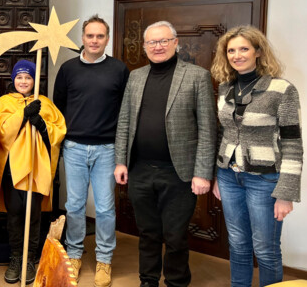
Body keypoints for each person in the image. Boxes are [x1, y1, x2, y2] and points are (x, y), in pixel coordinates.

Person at [114, 20, 216, 287]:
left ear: (175, 43)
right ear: (145, 47)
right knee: (147, 233)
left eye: (163, 41)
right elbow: (124, 122)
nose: (157, 47)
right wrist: (120, 161)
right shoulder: (135, 77)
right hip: (140, 170)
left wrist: (203, 173)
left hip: (179, 174)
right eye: (152, 42)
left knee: (175, 236)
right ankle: (147, 280)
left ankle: (176, 282)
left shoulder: (197, 76)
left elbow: (208, 128)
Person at [210, 25, 303, 287]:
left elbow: (293, 143)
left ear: (258, 51)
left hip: (264, 180)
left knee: (265, 248)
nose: (237, 55)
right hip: (229, 177)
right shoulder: (225, 87)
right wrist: (218, 174)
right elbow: (224, 134)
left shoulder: (281, 89)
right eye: (231, 50)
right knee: (237, 244)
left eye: (243, 49)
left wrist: (286, 192)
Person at [53, 15, 129, 287]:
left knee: (106, 208)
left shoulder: (119, 70)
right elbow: (58, 106)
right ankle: (74, 253)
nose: (94, 40)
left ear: (106, 39)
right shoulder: (68, 68)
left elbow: (126, 111)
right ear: (82, 38)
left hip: (107, 149)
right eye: (90, 35)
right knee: (74, 205)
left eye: (100, 36)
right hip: (73, 147)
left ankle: (104, 260)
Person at [0, 60, 66, 284]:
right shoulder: (5, 102)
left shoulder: (44, 102)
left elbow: (59, 130)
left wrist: (42, 124)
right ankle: (16, 257)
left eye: (28, 78)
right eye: (19, 77)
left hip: (37, 167)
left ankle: (30, 259)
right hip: (12, 169)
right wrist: (23, 114)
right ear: (13, 80)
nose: (23, 81)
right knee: (15, 213)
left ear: (34, 80)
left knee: (33, 215)